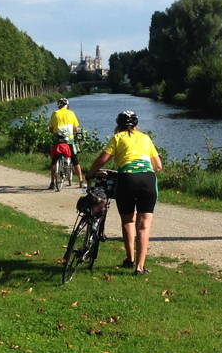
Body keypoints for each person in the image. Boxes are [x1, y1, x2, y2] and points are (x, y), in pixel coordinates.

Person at [89, 109, 162, 276]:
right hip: (147, 180)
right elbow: (158, 166)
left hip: (126, 179)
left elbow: (102, 159)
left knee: (128, 221)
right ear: (136, 125)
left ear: (118, 125)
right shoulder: (145, 138)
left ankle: (129, 259)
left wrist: (91, 172)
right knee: (144, 226)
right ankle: (140, 267)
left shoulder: (117, 138)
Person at [47, 97, 86, 188]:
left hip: (58, 141)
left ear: (59, 106)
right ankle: (80, 180)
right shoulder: (71, 113)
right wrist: (73, 133)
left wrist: (53, 132)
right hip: (69, 140)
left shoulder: (55, 113)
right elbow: (76, 128)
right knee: (75, 160)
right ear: (67, 105)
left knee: (54, 161)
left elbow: (51, 128)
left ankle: (52, 182)